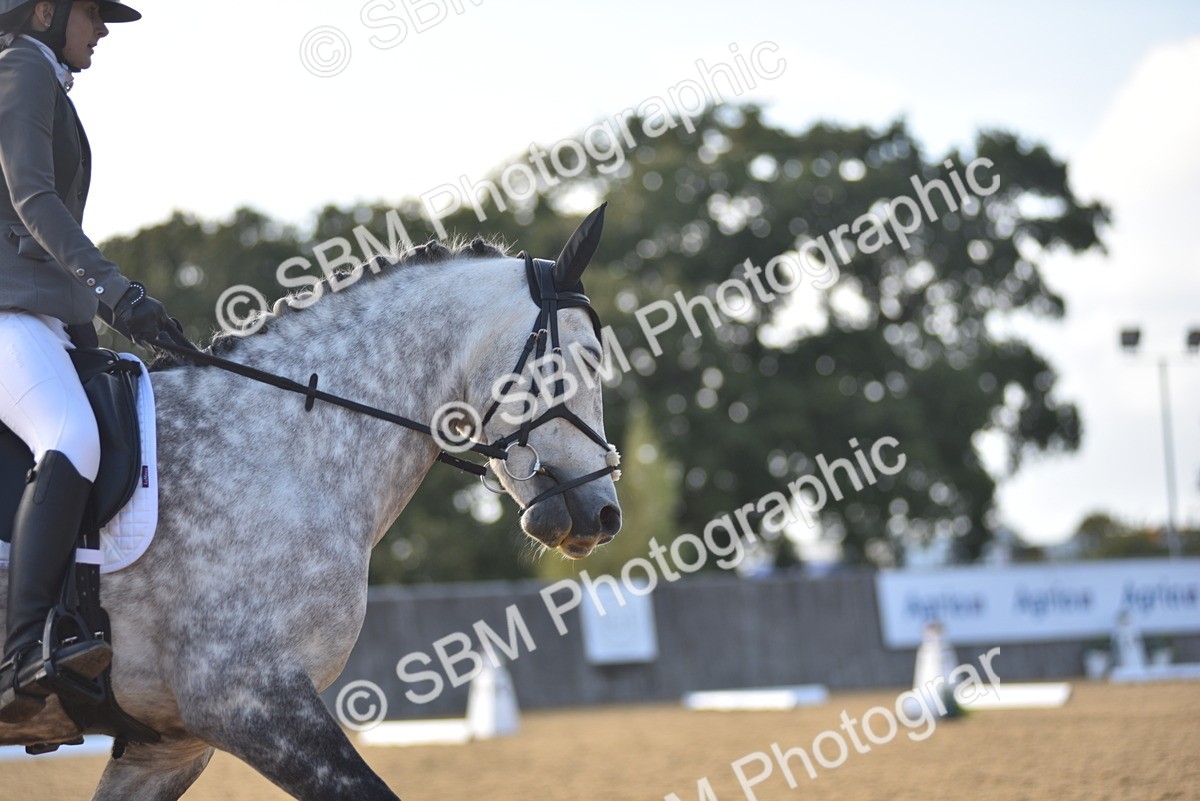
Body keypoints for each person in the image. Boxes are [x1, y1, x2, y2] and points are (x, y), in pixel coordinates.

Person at [0, 0, 188, 723]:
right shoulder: (20, 65)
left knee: (112, 421)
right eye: (92, 13)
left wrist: (93, 322)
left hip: (44, 314)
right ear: (45, 10)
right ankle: (21, 652)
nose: (103, 28)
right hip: (10, 312)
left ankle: (80, 622)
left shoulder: (43, 73)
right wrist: (115, 290)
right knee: (69, 435)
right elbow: (31, 200)